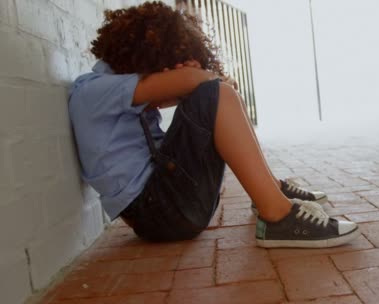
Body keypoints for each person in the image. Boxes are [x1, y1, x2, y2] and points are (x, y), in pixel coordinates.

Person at [68, 1, 359, 248]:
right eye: (171, 68)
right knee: (216, 93)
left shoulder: (112, 91)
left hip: (162, 209)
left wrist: (209, 87)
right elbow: (198, 85)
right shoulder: (96, 90)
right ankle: (278, 217)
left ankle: (271, 191)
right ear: (154, 59)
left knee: (217, 95)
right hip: (160, 212)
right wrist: (202, 80)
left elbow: (192, 90)